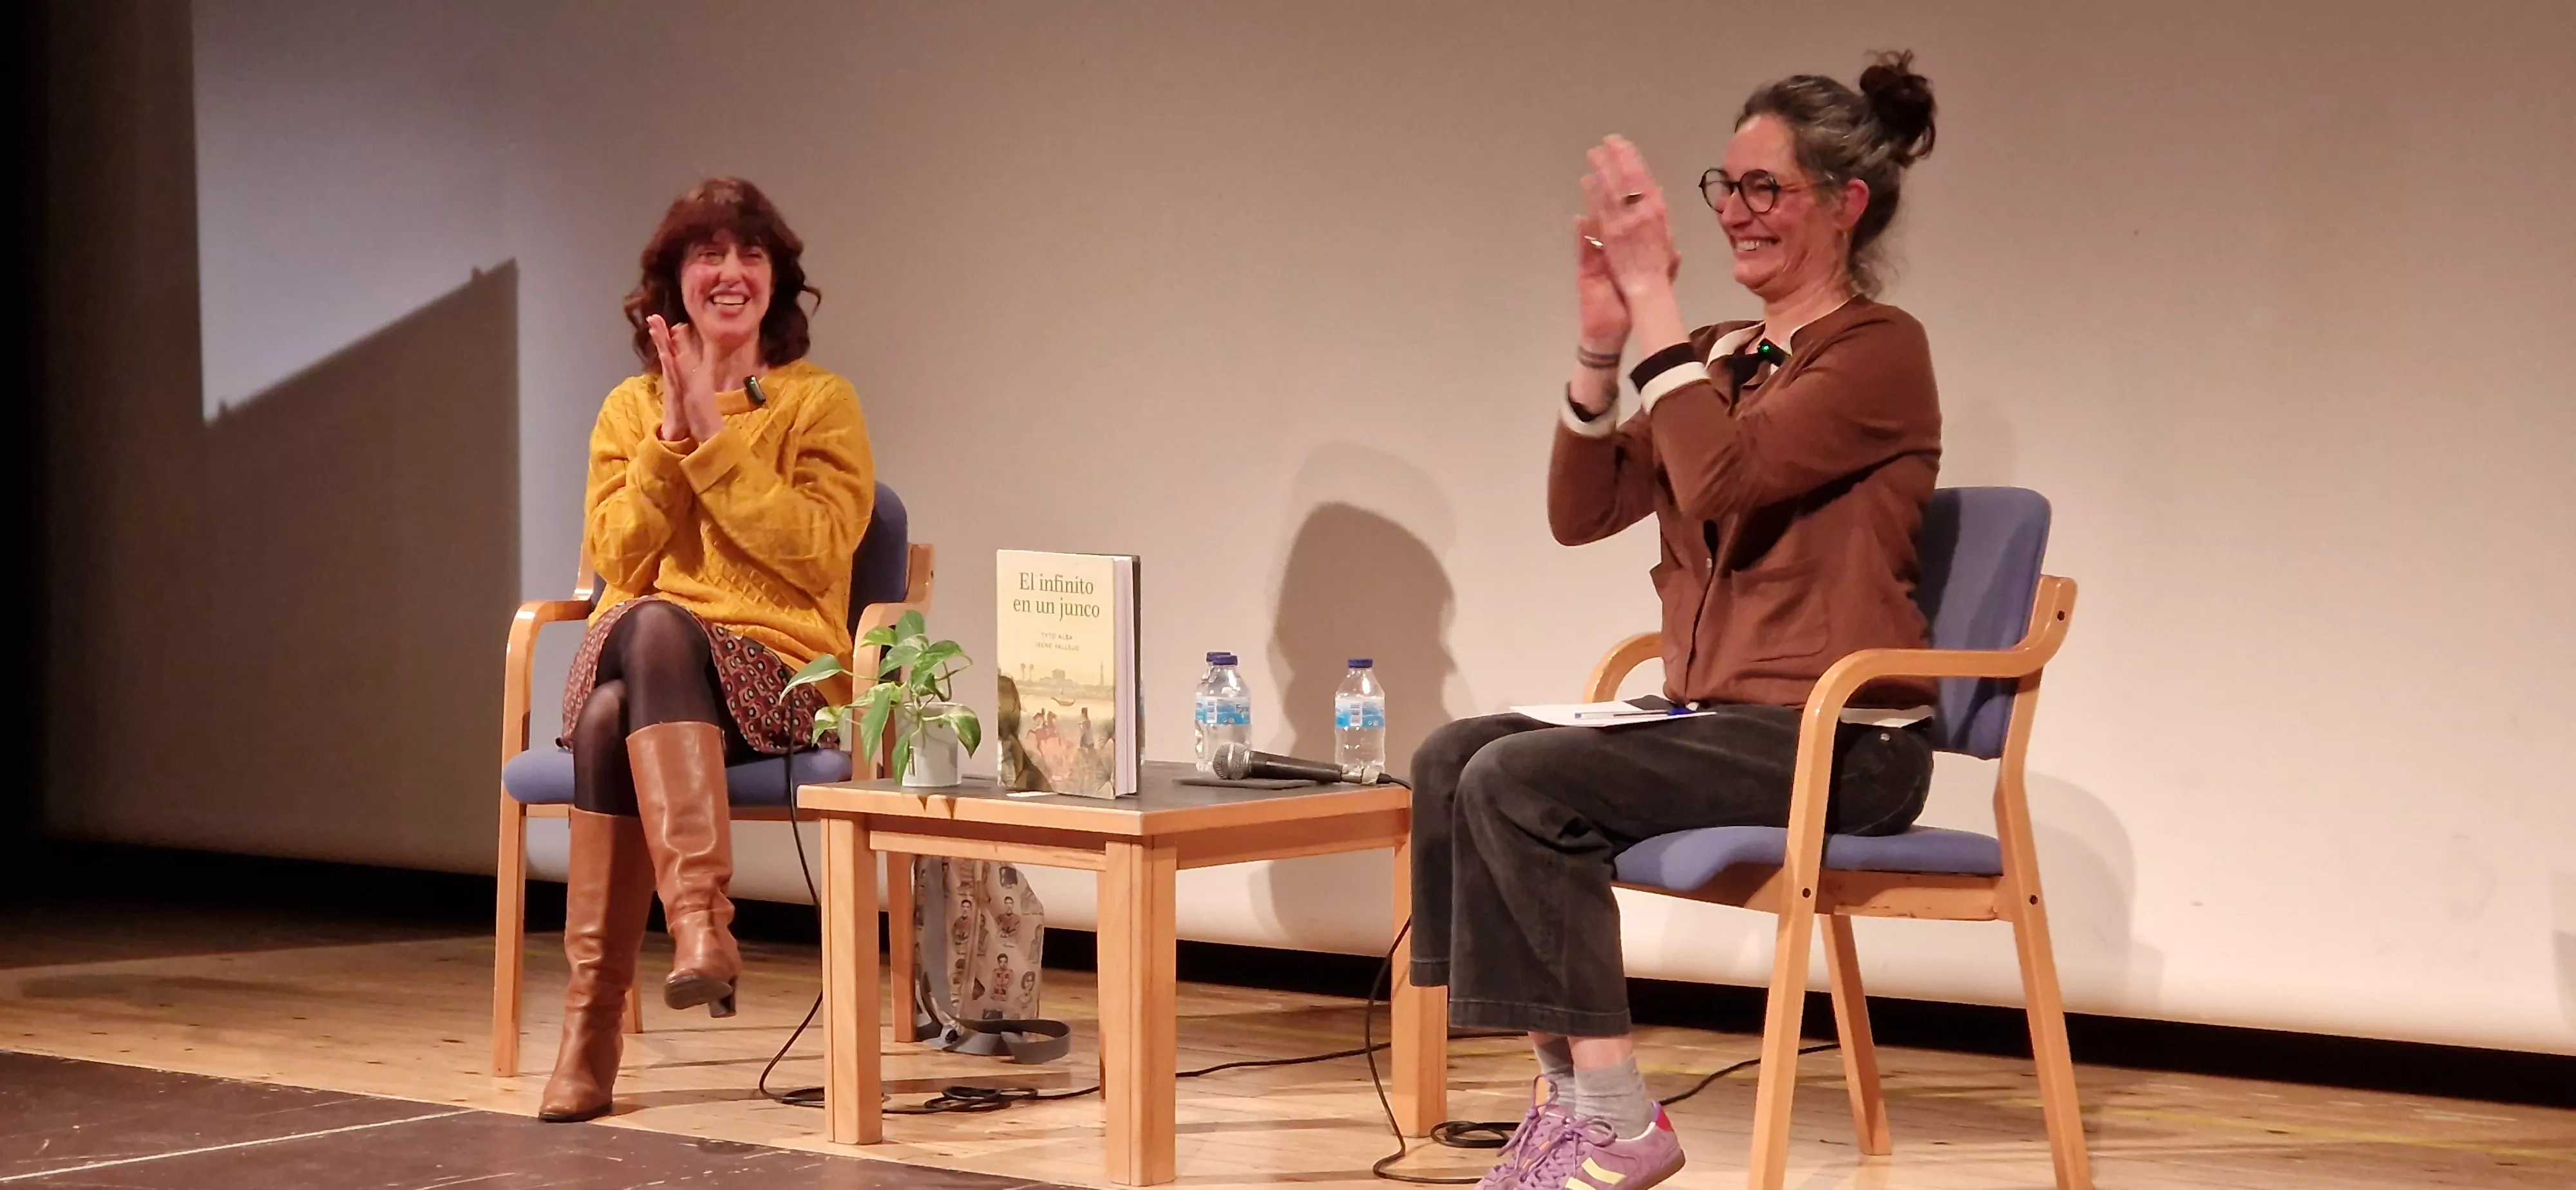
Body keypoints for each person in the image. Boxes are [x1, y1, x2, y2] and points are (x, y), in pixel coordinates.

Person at [1410, 53, 1943, 1188]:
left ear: (1845, 206)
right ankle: (1573, 1095)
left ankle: (1612, 1116)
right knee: (1458, 755)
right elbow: (1583, 509)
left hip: (1846, 743)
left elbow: (1720, 484)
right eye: (1727, 186)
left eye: (1767, 191)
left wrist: (1655, 309)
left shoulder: (1878, 351)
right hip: (1725, 721)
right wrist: (1605, 347)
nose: (1737, 215)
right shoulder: (1717, 357)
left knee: (1524, 778)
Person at [540, 178, 876, 1123]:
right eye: (707, 255)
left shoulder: (820, 403)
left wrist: (717, 439)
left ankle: (594, 1032)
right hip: (653, 671)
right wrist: (667, 439)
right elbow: (614, 558)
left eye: (751, 255)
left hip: (780, 672)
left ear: (779, 283)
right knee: (641, 642)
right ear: (672, 286)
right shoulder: (626, 410)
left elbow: (818, 550)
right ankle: (697, 932)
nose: (730, 273)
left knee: (633, 662)